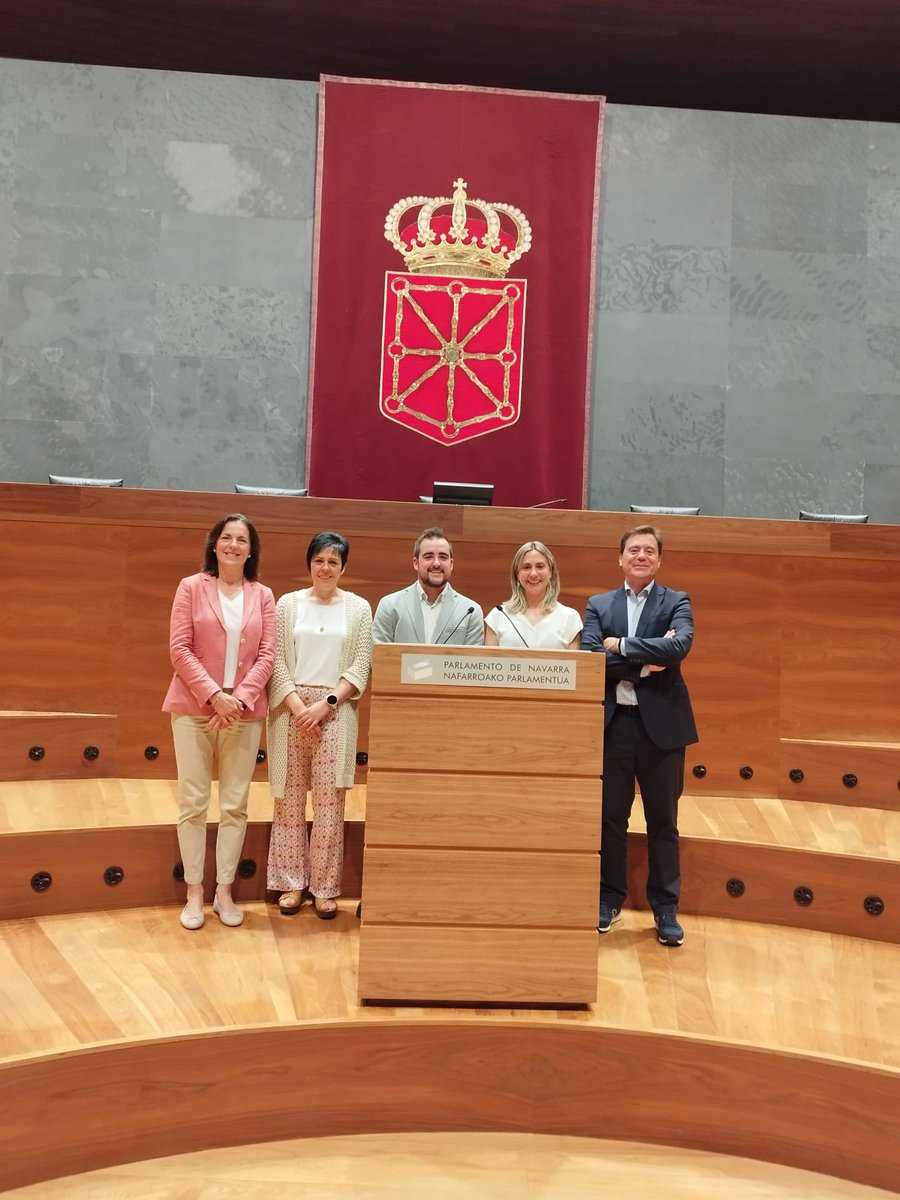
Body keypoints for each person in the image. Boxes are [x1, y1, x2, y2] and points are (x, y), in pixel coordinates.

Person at [582, 525, 698, 947]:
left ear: (659, 560)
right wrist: (648, 658)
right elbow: (593, 659)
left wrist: (623, 646)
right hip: (614, 727)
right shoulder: (598, 604)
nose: (641, 556)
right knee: (610, 818)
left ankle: (665, 909)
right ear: (620, 557)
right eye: (634, 550)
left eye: (650, 550)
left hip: (662, 731)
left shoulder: (677, 601)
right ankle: (608, 897)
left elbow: (679, 647)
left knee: (663, 822)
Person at [163, 513, 276, 931]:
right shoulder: (191, 588)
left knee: (234, 805)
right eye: (226, 538)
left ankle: (223, 890)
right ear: (214, 545)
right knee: (193, 802)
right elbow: (179, 649)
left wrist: (238, 700)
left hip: (243, 714)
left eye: (241, 540)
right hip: (194, 708)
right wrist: (214, 696)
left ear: (251, 550)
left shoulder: (262, 594)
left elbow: (267, 655)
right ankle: (194, 890)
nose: (233, 545)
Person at [266, 531, 372, 918]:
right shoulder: (287, 604)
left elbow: (361, 664)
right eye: (319, 561)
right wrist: (297, 707)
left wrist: (325, 705)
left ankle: (325, 889)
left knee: (330, 806)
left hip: (335, 712)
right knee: (289, 801)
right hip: (290, 711)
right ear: (309, 564)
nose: (325, 568)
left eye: (333, 562)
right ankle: (291, 884)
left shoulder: (359, 608)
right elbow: (275, 660)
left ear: (343, 567)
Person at [371, 526, 483, 646]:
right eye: (428, 557)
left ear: (451, 564)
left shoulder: (470, 611)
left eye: (443, 557)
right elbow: (379, 658)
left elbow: (472, 662)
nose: (436, 563)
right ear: (416, 563)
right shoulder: (390, 606)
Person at [484, 540, 582, 649]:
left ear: (551, 572)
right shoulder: (498, 616)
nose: (533, 574)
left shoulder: (570, 618)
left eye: (540, 566)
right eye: (526, 567)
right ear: (517, 574)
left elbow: (575, 665)